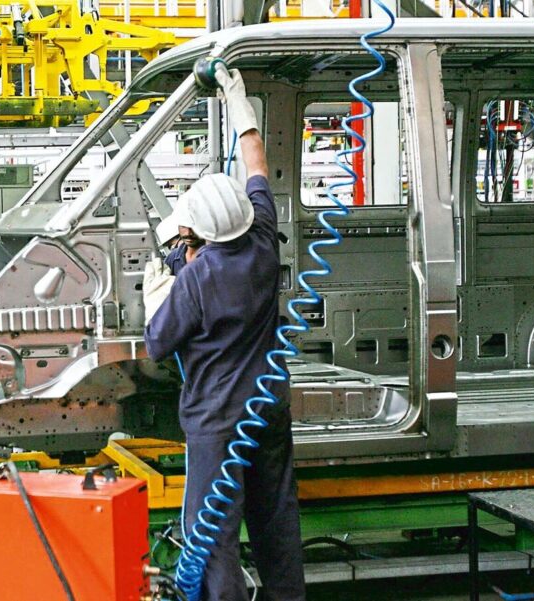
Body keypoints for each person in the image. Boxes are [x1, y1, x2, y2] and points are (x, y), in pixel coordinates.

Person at [143, 68, 306, 601]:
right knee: (276, 522)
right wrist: (237, 98)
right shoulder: (262, 236)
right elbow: (255, 158)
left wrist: (157, 292)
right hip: (269, 409)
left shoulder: (196, 280)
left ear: (201, 236)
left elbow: (157, 343)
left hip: (218, 424)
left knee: (212, 537)